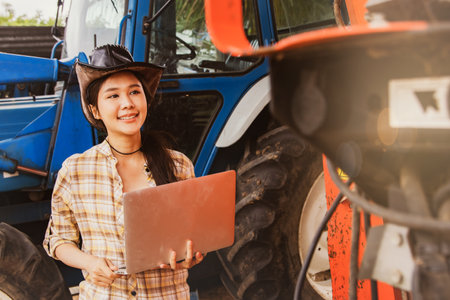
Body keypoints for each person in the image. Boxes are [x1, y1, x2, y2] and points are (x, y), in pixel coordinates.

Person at [43, 44, 204, 299]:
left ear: (146, 100)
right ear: (95, 110)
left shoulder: (179, 165)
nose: (127, 103)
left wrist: (190, 256)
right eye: (113, 96)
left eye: (134, 92)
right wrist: (90, 263)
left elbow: (193, 237)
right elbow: (59, 240)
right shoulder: (75, 171)